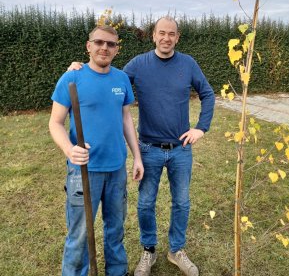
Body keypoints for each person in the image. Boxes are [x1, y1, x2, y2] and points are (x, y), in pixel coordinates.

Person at [68, 16, 215, 276]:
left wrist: (200, 128)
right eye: (162, 33)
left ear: (177, 38)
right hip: (148, 149)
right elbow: (108, 76)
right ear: (154, 35)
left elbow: (207, 93)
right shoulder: (138, 64)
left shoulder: (188, 64)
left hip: (181, 149)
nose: (166, 38)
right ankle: (149, 250)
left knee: (181, 202)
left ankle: (176, 249)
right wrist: (80, 68)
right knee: (146, 203)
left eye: (171, 34)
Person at [49, 25, 144, 276]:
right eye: (99, 42)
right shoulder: (72, 78)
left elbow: (125, 119)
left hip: (116, 170)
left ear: (116, 50)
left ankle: (117, 271)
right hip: (83, 172)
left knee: (115, 230)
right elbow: (55, 122)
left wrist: (137, 157)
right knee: (79, 235)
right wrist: (70, 149)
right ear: (88, 46)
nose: (105, 47)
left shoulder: (121, 79)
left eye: (111, 44)